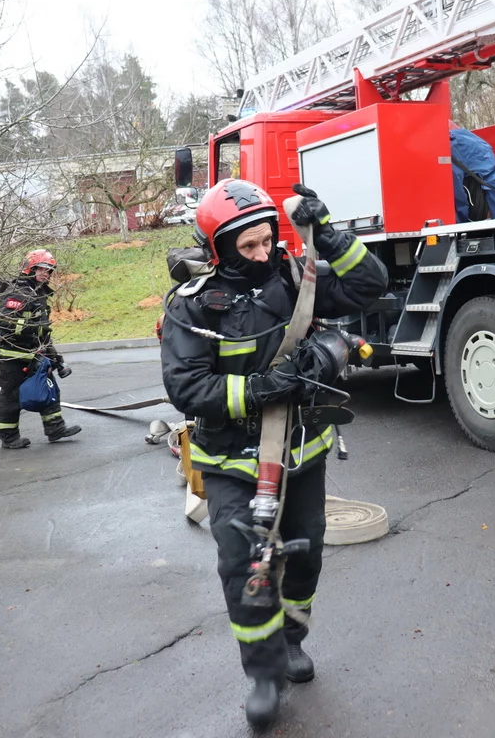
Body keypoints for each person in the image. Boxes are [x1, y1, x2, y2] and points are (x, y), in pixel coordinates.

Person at [159, 180, 387, 727]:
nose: (263, 254)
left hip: (303, 450)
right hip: (231, 462)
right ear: (219, 248)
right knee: (245, 565)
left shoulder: (294, 278)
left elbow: (369, 285)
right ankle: (262, 672)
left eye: (268, 241)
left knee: (305, 554)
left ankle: (291, 640)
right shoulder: (192, 308)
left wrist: (327, 233)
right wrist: (259, 390)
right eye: (249, 247)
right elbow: (187, 388)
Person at [0, 249, 82, 449]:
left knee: (47, 387)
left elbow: (42, 333)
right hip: (12, 357)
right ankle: (9, 437)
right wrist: (33, 330)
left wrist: (56, 359)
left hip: (32, 355)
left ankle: (56, 429)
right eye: (42, 269)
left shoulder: (36, 294)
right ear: (30, 268)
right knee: (11, 397)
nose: (46, 274)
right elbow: (9, 327)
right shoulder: (18, 294)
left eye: (49, 271)